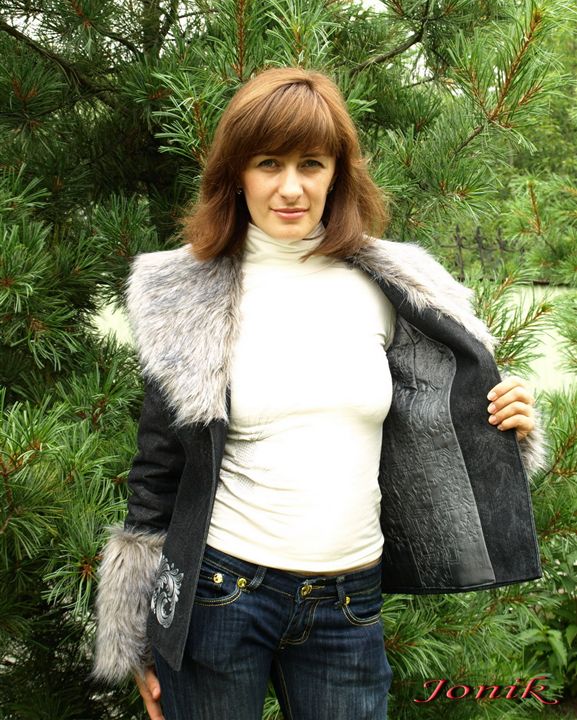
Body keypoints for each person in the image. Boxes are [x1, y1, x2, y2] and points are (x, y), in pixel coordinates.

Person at [93, 66, 545, 720]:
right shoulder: (184, 295)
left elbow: (442, 422)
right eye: (267, 163)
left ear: (336, 173)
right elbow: (157, 473)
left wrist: (507, 425)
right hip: (221, 597)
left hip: (349, 607)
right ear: (236, 174)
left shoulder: (391, 286)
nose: (290, 187)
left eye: (310, 163)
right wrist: (137, 634)